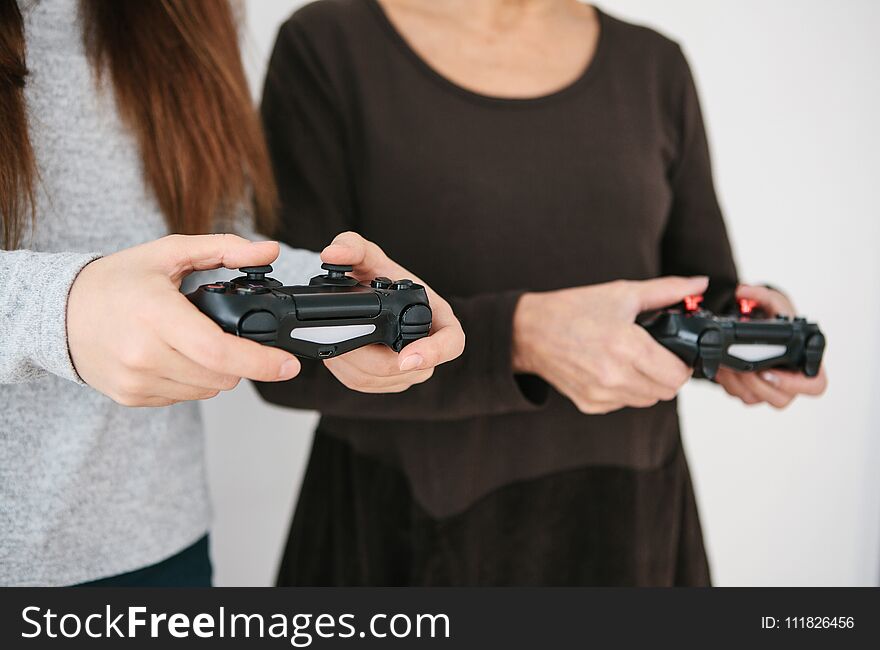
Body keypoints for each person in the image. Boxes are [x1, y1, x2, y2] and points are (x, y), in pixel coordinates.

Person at [256, 0, 827, 586]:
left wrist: (754, 328)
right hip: (404, 542)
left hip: (630, 533)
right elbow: (284, 350)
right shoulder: (327, 45)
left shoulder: (654, 66)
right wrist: (518, 339)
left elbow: (704, 292)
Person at [0, 0, 463, 587]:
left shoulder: (182, 13)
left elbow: (213, 241)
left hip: (159, 547)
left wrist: (340, 296)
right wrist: (61, 311)